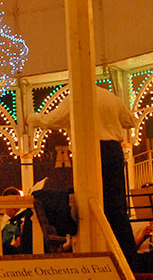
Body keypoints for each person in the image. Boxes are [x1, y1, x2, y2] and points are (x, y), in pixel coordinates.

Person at [28, 85, 136, 265]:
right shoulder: (110, 97)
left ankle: (95, 255)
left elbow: (52, 120)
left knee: (89, 203)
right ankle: (128, 257)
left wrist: (31, 119)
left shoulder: (76, 97)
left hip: (90, 151)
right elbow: (130, 121)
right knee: (116, 207)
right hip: (114, 152)